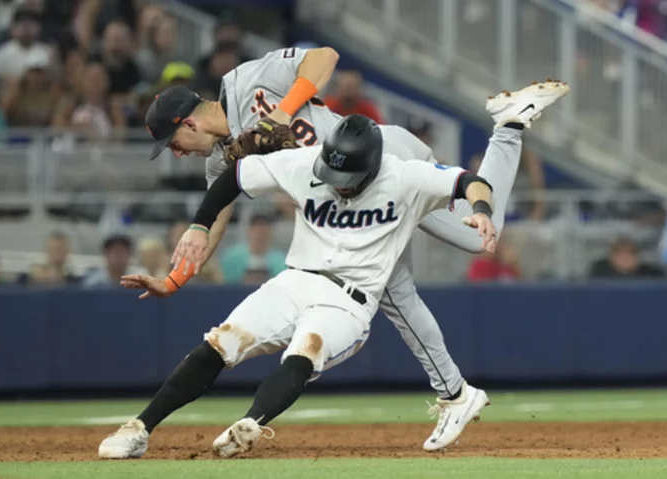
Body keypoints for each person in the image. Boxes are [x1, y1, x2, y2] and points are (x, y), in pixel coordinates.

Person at [141, 47, 568, 451]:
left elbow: (324, 58)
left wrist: (283, 112)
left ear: (188, 124)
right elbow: (214, 219)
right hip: (344, 199)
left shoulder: (240, 84)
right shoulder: (220, 161)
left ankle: (456, 395)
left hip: (379, 163)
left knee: (403, 286)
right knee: (450, 255)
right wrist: (175, 278)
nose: (178, 155)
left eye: (174, 145)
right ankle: (509, 126)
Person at [98, 114, 498, 459]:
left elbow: (470, 181)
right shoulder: (306, 162)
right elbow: (233, 177)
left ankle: (251, 424)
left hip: (349, 301)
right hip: (293, 282)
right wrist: (200, 225)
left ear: (373, 166)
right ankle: (139, 428)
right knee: (221, 342)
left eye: (348, 177)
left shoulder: (405, 175)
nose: (339, 184)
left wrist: (480, 211)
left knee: (304, 353)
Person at [220, 214, 286, 285]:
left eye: (264, 233)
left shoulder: (281, 261)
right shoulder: (232, 257)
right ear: (249, 232)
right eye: (257, 232)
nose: (260, 236)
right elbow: (224, 281)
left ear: (271, 233)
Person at [589, 237, 666, 280]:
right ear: (611, 257)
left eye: (630, 253)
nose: (625, 258)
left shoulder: (652, 275)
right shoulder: (599, 272)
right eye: (620, 254)